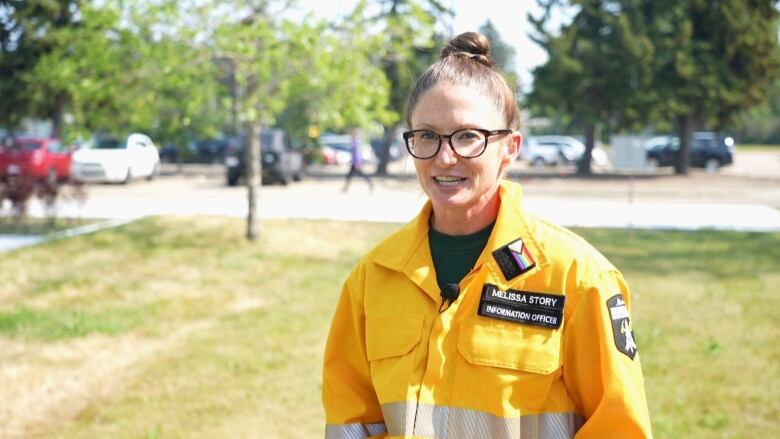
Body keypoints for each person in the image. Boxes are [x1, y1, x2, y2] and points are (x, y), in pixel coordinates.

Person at [323, 32, 652, 439]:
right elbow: (351, 423)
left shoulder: (578, 278)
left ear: (510, 147)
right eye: (426, 135)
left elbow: (618, 428)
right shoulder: (373, 277)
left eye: (467, 137)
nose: (445, 157)